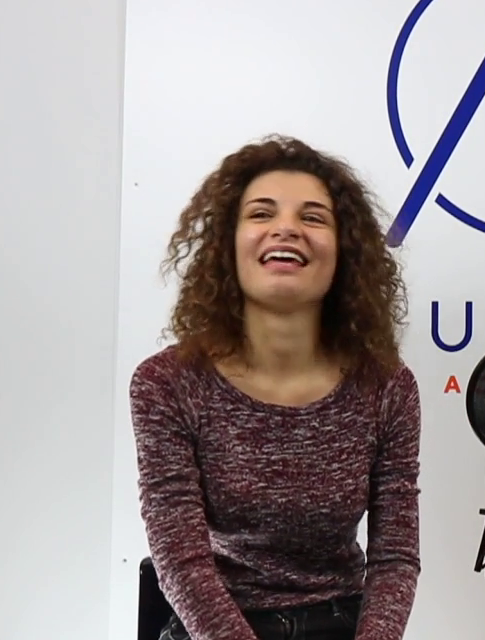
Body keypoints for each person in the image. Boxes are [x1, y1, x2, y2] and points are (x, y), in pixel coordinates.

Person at [129, 135, 421, 640]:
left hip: (341, 625)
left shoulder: (388, 386)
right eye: (262, 213)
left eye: (313, 217)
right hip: (212, 629)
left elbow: (394, 556)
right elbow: (180, 561)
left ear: (345, 252)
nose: (286, 228)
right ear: (228, 244)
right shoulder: (165, 384)